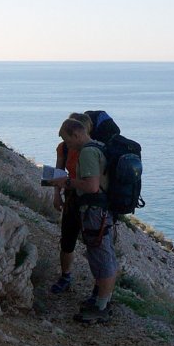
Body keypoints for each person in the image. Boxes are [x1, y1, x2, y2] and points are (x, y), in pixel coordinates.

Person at [49, 118, 117, 323]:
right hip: (104, 209)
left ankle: (101, 308)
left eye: (67, 140)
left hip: (95, 211)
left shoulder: (87, 152)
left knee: (102, 257)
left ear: (76, 134)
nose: (67, 145)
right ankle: (102, 302)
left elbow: (91, 186)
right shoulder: (100, 146)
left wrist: (66, 182)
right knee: (104, 255)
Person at [49, 113, 93, 295]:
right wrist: (56, 194)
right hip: (72, 198)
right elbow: (59, 170)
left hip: (91, 201)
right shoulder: (64, 148)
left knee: (94, 243)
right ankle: (65, 276)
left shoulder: (92, 149)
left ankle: (100, 287)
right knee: (67, 240)